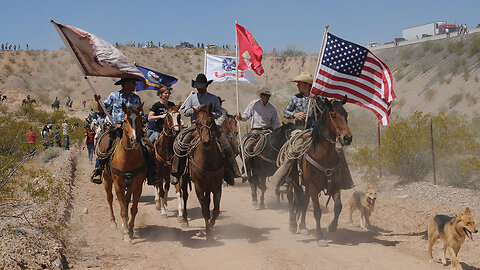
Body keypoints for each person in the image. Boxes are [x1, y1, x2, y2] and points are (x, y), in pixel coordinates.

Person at [270, 72, 354, 191]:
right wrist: (295, 114)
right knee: (294, 150)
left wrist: (317, 99)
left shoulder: (320, 99)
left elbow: (328, 113)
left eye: (299, 83)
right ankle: (286, 179)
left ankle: (345, 180)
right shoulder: (295, 98)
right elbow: (285, 112)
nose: (297, 86)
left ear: (306, 85)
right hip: (299, 130)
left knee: (338, 149)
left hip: (318, 131)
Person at [171, 73, 238, 185]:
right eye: (198, 87)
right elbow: (186, 112)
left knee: (226, 143)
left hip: (211, 126)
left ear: (206, 86)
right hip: (195, 126)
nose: (200, 88)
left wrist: (210, 113)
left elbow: (219, 112)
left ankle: (232, 171)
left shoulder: (213, 98)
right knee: (181, 142)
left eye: (202, 86)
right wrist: (195, 110)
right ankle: (176, 171)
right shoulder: (191, 98)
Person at [90, 77, 158, 185]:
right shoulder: (114, 96)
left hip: (133, 129)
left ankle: (151, 173)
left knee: (148, 147)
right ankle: (99, 169)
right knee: (105, 145)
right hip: (117, 128)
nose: (135, 84)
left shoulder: (136, 98)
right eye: (132, 82)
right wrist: (98, 101)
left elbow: (141, 115)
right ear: (125, 84)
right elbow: (101, 110)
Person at [236, 88, 281, 170]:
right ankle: (246, 166)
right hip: (255, 131)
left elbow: (276, 124)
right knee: (246, 147)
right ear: (261, 95)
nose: (267, 97)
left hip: (268, 132)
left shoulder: (272, 109)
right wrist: (240, 117)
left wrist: (278, 132)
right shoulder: (253, 104)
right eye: (265, 95)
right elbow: (245, 116)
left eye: (268, 95)